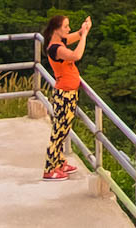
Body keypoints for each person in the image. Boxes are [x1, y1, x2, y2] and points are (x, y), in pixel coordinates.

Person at [39, 13, 91, 181]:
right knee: (59, 132)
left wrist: (84, 30)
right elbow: (76, 55)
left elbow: (76, 36)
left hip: (68, 92)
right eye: (65, 27)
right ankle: (49, 168)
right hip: (65, 94)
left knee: (64, 129)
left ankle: (59, 162)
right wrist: (84, 38)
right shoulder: (56, 49)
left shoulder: (59, 42)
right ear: (56, 29)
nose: (68, 29)